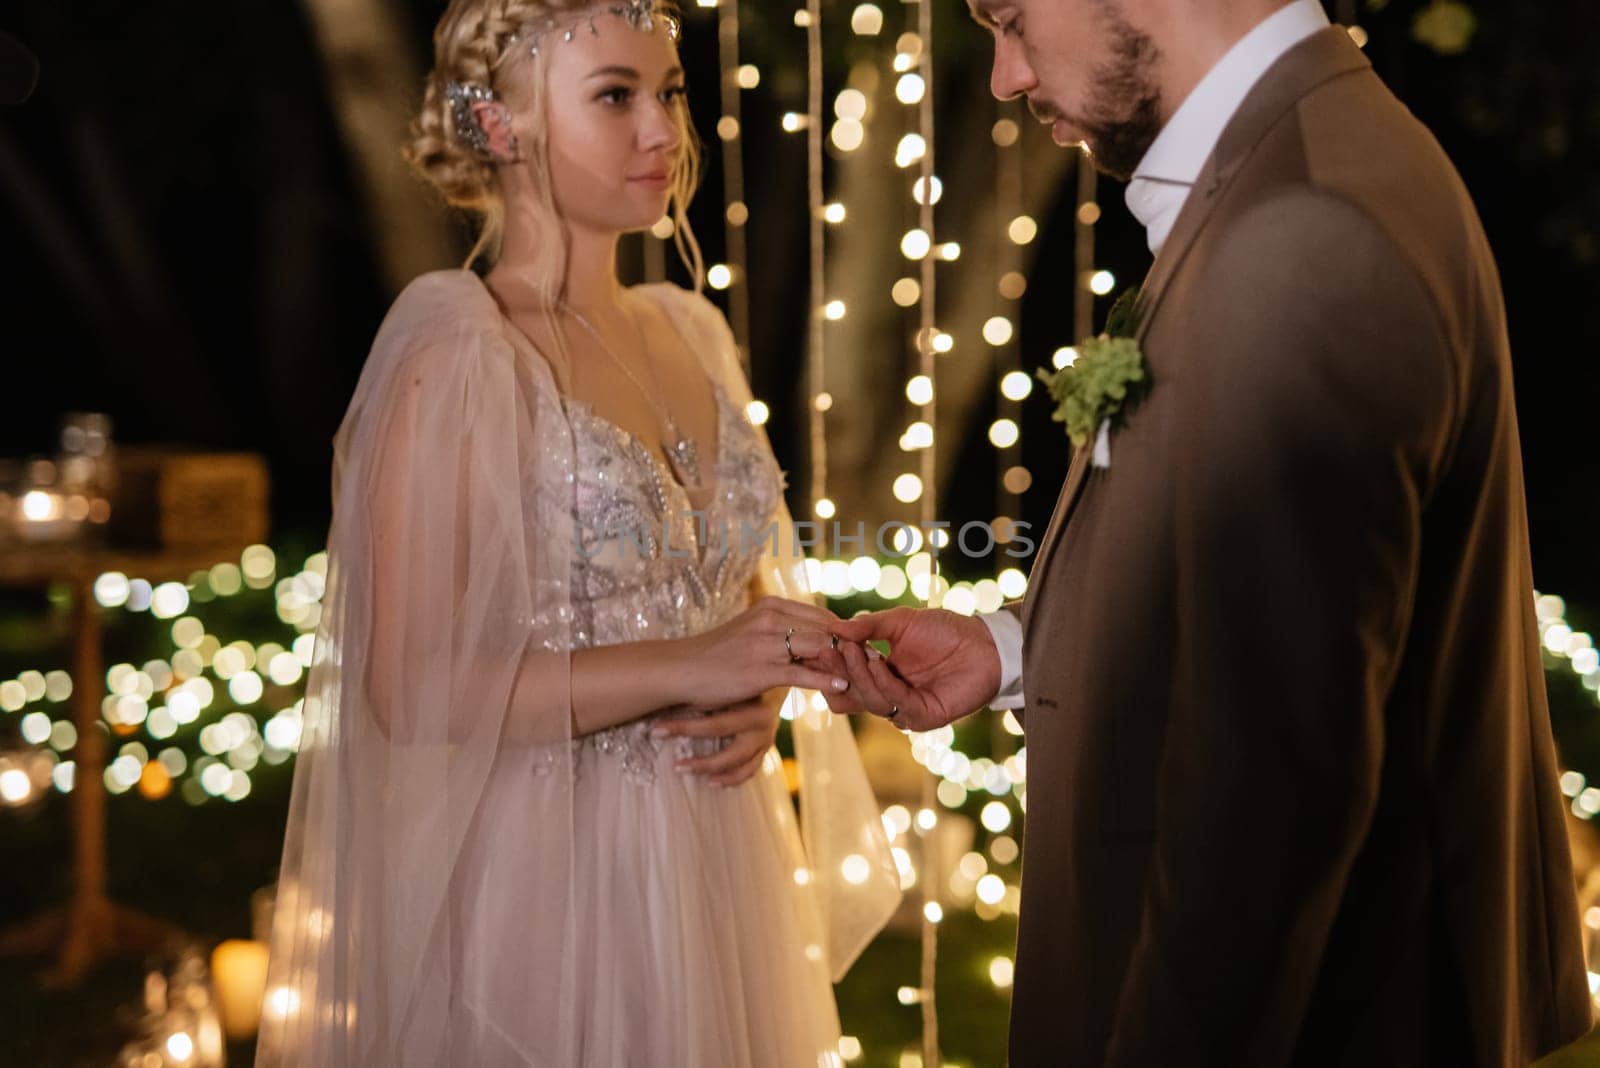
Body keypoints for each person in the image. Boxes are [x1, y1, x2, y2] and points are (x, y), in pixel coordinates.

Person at [819, 0, 1594, 1063]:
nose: (1003, 77)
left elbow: (1266, 810)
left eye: (1008, 18)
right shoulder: (1296, 167)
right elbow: (1250, 592)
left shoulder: (1303, 233)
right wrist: (1015, 649)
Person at [255, 2, 899, 1064]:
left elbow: (719, 599)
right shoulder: (462, 354)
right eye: (615, 97)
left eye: (670, 94)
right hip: (545, 870)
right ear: (498, 127)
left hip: (714, 855)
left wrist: (756, 682)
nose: (663, 132)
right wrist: (692, 663)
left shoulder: (688, 328)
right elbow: (409, 689)